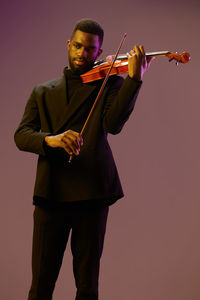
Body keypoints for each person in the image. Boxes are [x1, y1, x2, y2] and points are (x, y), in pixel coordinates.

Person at [14, 18, 152, 300]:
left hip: (92, 192)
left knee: (87, 286)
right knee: (41, 284)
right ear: (69, 44)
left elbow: (113, 125)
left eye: (90, 49)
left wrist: (134, 79)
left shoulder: (109, 83)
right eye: (77, 46)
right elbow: (21, 135)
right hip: (51, 192)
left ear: (99, 53)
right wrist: (50, 139)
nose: (82, 54)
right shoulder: (43, 91)